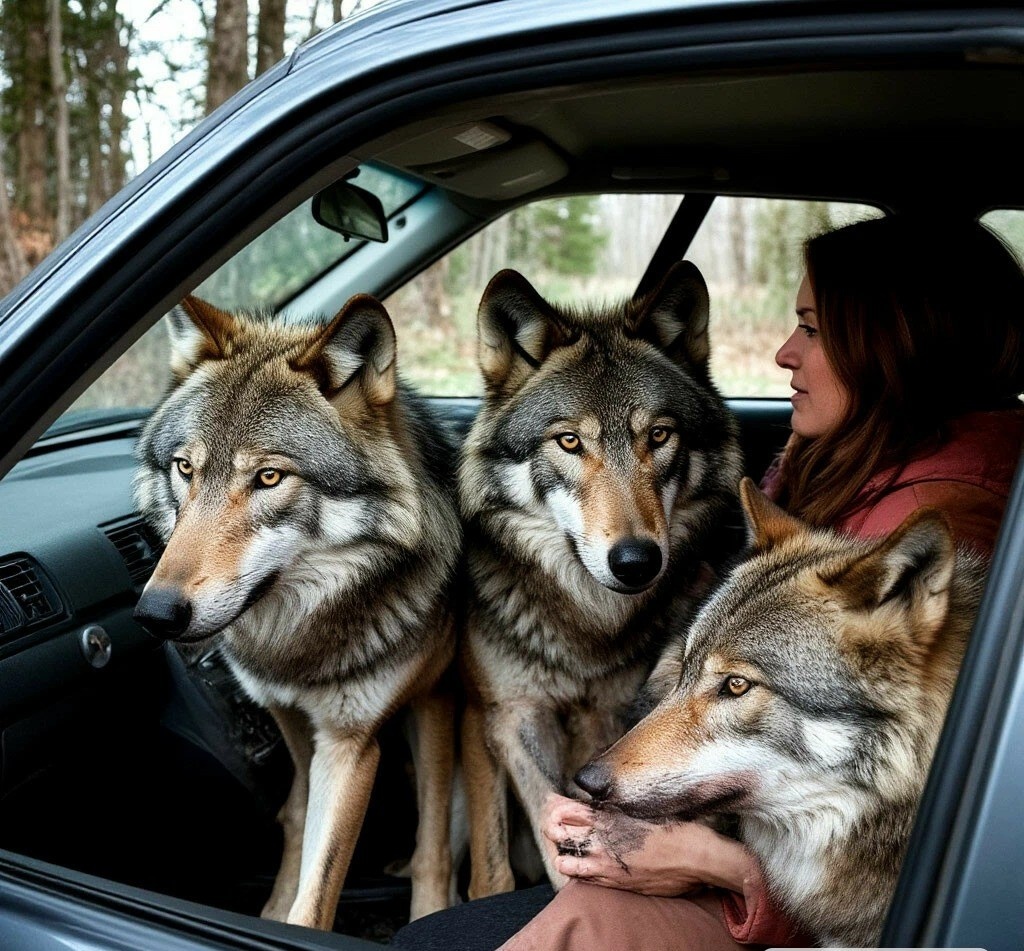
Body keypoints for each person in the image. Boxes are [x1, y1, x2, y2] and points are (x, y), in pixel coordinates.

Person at [391, 214, 1024, 951]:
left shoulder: (935, 528)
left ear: (897, 344)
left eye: (813, 330)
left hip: (784, 905)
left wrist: (703, 860)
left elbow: (907, 845)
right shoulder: (855, 457)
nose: (784, 353)